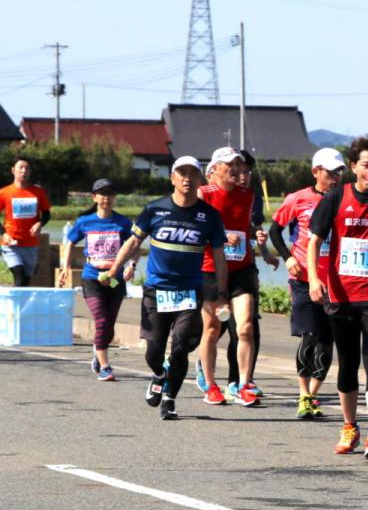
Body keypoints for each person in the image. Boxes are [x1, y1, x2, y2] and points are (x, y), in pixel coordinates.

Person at [107, 156, 227, 421]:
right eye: (181, 173)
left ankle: (170, 399)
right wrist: (115, 269)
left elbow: (219, 255)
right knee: (153, 350)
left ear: (200, 179)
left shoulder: (209, 216)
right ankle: (159, 375)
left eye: (192, 173)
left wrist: (221, 292)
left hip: (189, 292)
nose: (187, 178)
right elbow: (132, 242)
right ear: (172, 178)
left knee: (181, 348)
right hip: (156, 290)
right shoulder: (154, 209)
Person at [309, 135, 368, 459]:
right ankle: (349, 425)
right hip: (342, 295)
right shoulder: (336, 196)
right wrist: (315, 279)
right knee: (348, 362)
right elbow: (314, 240)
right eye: (367, 164)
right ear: (354, 167)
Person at [270, 147, 344, 419]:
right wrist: (288, 257)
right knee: (309, 336)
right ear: (316, 172)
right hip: (303, 278)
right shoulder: (297, 199)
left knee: (327, 343)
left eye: (339, 172)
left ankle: (313, 393)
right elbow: (275, 230)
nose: (335, 177)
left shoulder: (344, 199)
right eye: (330, 172)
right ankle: (303, 394)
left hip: (335, 282)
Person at [198, 147, 260, 408]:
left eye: (238, 164)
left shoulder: (248, 195)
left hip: (241, 269)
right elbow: (196, 230)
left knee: (245, 327)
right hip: (211, 269)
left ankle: (243, 384)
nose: (235, 169)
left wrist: (257, 236)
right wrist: (221, 236)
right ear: (215, 170)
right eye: (229, 165)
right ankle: (211, 386)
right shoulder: (205, 194)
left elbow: (245, 226)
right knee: (212, 329)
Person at [60, 179, 135, 380]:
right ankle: (105, 367)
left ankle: (98, 353)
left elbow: (135, 244)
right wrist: (65, 267)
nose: (106, 198)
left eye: (110, 194)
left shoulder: (123, 222)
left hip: (114, 279)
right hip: (92, 278)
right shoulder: (85, 222)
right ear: (94, 197)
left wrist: (132, 265)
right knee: (101, 320)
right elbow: (69, 242)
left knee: (109, 326)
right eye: (102, 194)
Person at [0, 158, 51, 286]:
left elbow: (46, 214)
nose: (24, 171)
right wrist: (3, 233)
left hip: (30, 243)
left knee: (25, 281)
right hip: (11, 243)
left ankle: (20, 305)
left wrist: (40, 223)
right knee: (19, 274)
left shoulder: (37, 192)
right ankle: (13, 305)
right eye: (21, 167)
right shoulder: (4, 192)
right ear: (13, 170)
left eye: (27, 168)